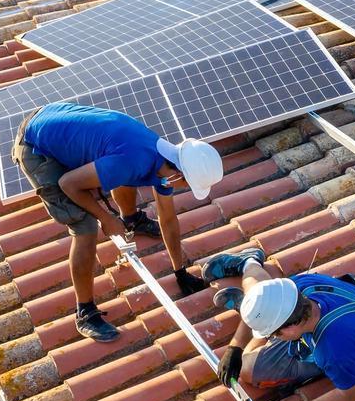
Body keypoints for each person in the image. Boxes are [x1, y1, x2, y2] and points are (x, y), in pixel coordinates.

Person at [13, 102, 222, 341]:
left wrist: (180, 271)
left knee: (122, 175)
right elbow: (67, 184)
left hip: (52, 120)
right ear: (179, 174)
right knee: (85, 226)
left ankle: (131, 218)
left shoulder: (165, 157)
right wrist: (106, 218)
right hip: (35, 144)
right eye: (187, 184)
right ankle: (85, 312)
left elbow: (168, 219)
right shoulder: (133, 160)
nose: (181, 188)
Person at [205, 248, 355, 401]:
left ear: (289, 328)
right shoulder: (299, 288)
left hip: (350, 339)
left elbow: (350, 394)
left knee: (246, 369)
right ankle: (249, 263)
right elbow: (270, 298)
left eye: (274, 333)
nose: (273, 337)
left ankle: (252, 307)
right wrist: (235, 347)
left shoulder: (332, 350)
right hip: (351, 314)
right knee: (264, 293)